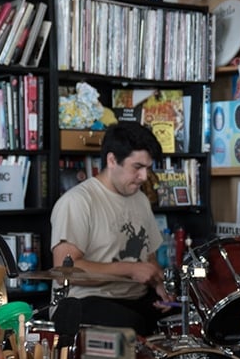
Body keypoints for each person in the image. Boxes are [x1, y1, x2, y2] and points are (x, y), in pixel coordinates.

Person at [50, 121, 169, 337]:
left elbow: (148, 259)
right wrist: (130, 269)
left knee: (182, 321)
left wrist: (159, 284)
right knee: (133, 327)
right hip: (85, 301)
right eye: (137, 167)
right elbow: (64, 271)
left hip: (135, 297)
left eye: (148, 168)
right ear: (112, 160)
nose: (144, 177)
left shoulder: (140, 199)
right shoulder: (77, 201)